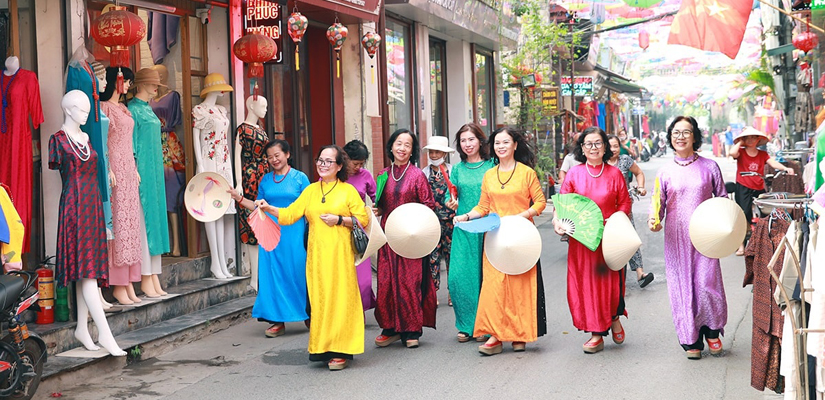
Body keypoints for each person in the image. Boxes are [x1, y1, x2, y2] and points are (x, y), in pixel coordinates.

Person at [250, 145, 369, 371]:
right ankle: (323, 348)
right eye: (320, 161)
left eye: (328, 162)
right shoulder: (311, 191)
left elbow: (362, 219)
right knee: (321, 302)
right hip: (316, 258)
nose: (323, 165)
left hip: (340, 256)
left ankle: (341, 350)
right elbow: (290, 215)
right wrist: (268, 208)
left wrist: (340, 219)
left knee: (341, 300)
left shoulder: (347, 191)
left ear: (339, 166)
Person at [454, 126, 547, 355]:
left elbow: (540, 202)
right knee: (494, 287)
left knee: (519, 287)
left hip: (521, 237)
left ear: (515, 145)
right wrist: (466, 216)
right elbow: (483, 206)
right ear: (492, 147)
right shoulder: (489, 174)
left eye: (505, 142)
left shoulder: (526, 173)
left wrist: (521, 217)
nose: (501, 147)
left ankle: (519, 335)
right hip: (495, 237)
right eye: (497, 143)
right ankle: (495, 336)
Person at [649, 116, 728, 360]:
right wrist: (654, 220)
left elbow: (722, 199)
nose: (680, 136)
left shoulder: (710, 167)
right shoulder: (664, 171)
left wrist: (724, 224)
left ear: (695, 136)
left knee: (706, 283)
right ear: (670, 137)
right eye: (676, 132)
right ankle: (690, 338)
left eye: (686, 131)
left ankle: (712, 332)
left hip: (706, 237)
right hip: (676, 238)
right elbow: (657, 205)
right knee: (682, 287)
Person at [554, 127, 631, 354]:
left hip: (608, 238)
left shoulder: (615, 174)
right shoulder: (574, 174)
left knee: (609, 285)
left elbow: (625, 203)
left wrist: (615, 221)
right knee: (587, 285)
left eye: (598, 143)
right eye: (588, 144)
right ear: (582, 148)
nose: (593, 148)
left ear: (605, 147)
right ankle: (596, 333)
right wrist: (558, 222)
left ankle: (614, 316)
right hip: (582, 240)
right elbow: (563, 204)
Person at [231, 140, 310, 338]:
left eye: (277, 155)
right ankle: (277, 320)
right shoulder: (266, 180)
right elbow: (259, 207)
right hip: (270, 235)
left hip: (294, 234)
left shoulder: (300, 178)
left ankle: (307, 313)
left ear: (287, 155)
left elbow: (310, 208)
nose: (274, 159)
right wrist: (238, 198)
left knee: (298, 273)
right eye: (270, 157)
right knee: (272, 277)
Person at [373, 129, 437, 349]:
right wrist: (377, 210)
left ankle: (411, 329)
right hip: (388, 237)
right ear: (391, 146)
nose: (402, 148)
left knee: (409, 282)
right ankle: (389, 327)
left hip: (412, 236)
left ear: (412, 151)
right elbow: (380, 205)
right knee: (386, 282)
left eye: (407, 145)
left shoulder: (417, 175)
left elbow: (429, 206)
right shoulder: (382, 175)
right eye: (398, 144)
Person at [445, 123, 495, 342]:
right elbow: (452, 196)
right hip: (464, 227)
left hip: (488, 227)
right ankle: (466, 324)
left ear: (480, 141)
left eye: (471, 139)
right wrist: (451, 203)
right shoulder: (456, 169)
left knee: (486, 277)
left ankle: (485, 324)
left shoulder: (492, 165)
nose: (467, 144)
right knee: (459, 276)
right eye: (463, 140)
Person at [729, 127, 795, 256]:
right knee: (743, 214)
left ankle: (764, 242)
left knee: (765, 214)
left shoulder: (762, 154)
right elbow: (732, 153)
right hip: (743, 186)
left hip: (758, 187)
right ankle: (741, 245)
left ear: (758, 139)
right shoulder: (741, 152)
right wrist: (740, 143)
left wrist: (786, 168)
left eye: (753, 137)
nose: (750, 140)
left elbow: (773, 163)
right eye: (747, 138)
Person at [606, 134, 653, 288]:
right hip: (604, 207)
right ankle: (608, 274)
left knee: (630, 237)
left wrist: (641, 187)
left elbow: (639, 173)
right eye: (610, 146)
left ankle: (640, 272)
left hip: (624, 205)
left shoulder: (625, 160)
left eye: (616, 146)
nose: (613, 150)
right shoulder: (600, 162)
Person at [343, 139, 377, 311]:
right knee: (343, 277)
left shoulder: (365, 176)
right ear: (345, 158)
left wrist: (377, 210)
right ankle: (351, 315)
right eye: (355, 163)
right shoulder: (334, 174)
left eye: (361, 164)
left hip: (359, 231)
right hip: (337, 230)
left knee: (363, 281)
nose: (358, 167)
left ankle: (362, 305)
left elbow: (377, 198)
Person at [422, 136, 457, 300]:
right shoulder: (424, 173)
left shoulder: (453, 171)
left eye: (437, 152)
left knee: (452, 257)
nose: (434, 155)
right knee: (432, 258)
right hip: (431, 222)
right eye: (431, 152)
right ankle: (433, 294)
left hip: (451, 221)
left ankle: (452, 292)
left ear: (444, 153)